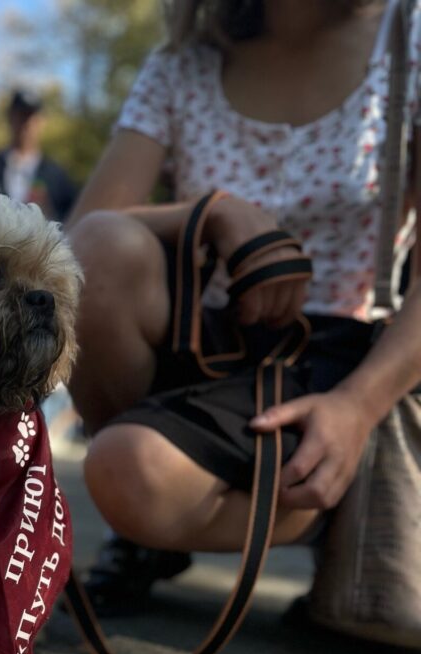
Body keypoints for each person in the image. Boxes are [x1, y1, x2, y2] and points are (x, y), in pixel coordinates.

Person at [66, 0, 421, 615]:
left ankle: (326, 496)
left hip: (342, 358)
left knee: (129, 468)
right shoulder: (183, 64)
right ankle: (157, 524)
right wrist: (213, 212)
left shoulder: (408, 38)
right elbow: (73, 242)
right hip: (205, 338)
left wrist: (358, 406)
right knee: (98, 250)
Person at [0, 89, 78, 222]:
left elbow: (72, 219)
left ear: (41, 122)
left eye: (31, 117)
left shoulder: (56, 174)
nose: (26, 124)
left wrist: (50, 213)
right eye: (21, 116)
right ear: (10, 118)